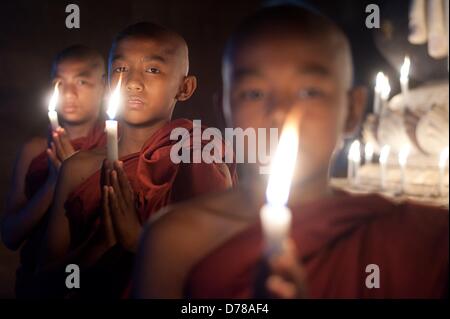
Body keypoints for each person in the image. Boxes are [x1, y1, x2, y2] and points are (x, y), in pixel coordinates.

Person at [133, 5, 448, 299]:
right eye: (254, 93)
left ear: (352, 110)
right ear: (224, 109)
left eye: (309, 91)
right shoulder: (177, 241)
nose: (280, 112)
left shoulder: (409, 239)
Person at [38, 22, 236, 298]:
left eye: (153, 70)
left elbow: (218, 276)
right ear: (108, 82)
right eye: (120, 69)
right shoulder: (78, 168)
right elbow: (42, 282)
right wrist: (97, 248)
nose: (132, 82)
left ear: (185, 88)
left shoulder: (199, 160)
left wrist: (138, 241)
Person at [1, 45, 107, 298]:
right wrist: (54, 183)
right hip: (36, 287)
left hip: (95, 285)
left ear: (104, 86)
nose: (68, 93)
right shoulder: (35, 149)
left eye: (81, 81)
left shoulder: (113, 148)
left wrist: (75, 174)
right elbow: (10, 235)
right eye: (59, 82)